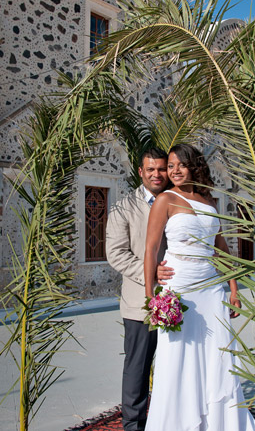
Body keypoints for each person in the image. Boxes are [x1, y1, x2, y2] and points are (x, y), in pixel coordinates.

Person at [144, 143, 255, 431]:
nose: (174, 170)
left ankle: (219, 424)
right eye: (170, 166)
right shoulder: (164, 200)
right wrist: (152, 299)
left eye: (180, 164)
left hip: (211, 289)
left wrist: (233, 289)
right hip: (178, 288)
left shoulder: (209, 202)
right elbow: (151, 249)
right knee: (177, 360)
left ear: (194, 165)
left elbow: (220, 249)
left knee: (218, 355)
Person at [106, 147, 176, 431]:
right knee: (137, 368)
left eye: (162, 169)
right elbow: (116, 253)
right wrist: (152, 274)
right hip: (140, 305)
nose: (157, 174)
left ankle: (168, 419)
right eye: (151, 170)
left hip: (180, 302)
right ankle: (133, 425)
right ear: (141, 172)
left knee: (175, 366)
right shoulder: (124, 208)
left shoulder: (178, 200)